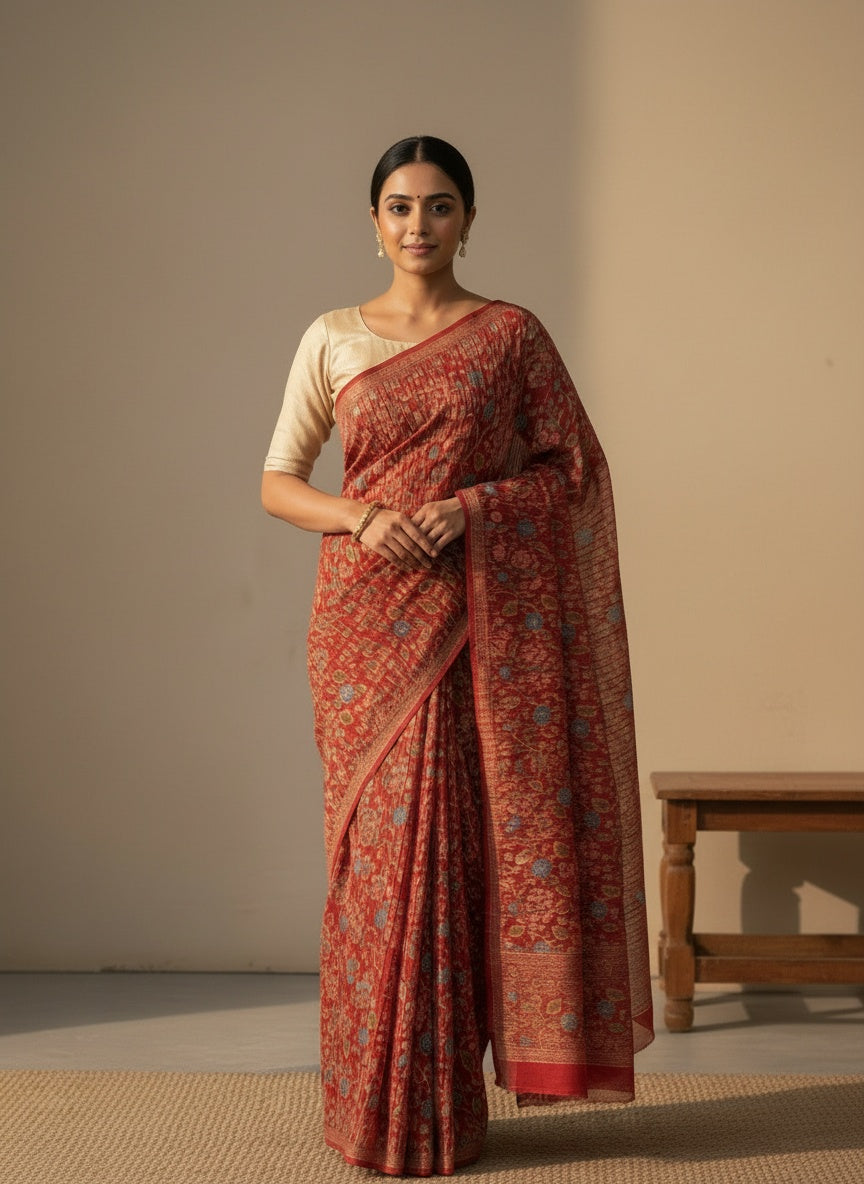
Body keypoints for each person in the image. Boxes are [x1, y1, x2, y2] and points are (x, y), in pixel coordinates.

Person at [262, 135, 653, 1177]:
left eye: (439, 206)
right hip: (363, 631)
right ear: (374, 222)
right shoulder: (333, 337)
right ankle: (369, 1105)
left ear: (469, 220)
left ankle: (441, 1113)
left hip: (479, 629)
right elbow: (277, 480)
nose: (419, 225)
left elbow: (573, 470)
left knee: (452, 858)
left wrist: (472, 508)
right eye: (399, 206)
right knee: (380, 866)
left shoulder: (510, 336)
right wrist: (359, 515)